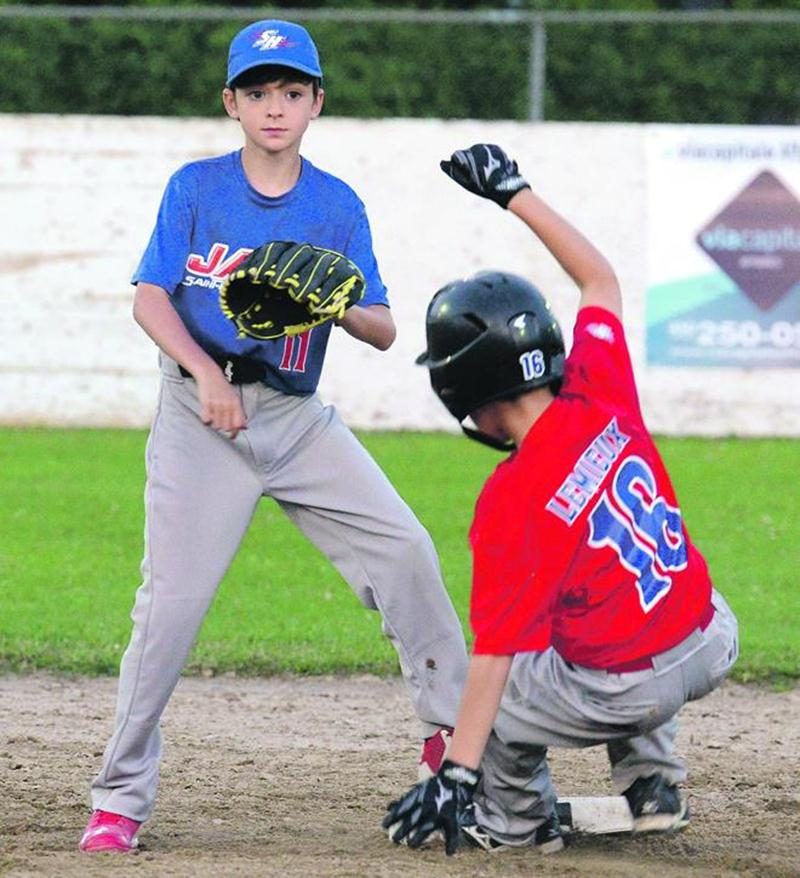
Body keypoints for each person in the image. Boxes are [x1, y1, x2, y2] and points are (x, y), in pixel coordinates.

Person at [78, 19, 468, 854]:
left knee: (405, 551)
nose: (275, 106)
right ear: (232, 103)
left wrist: (335, 303)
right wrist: (206, 375)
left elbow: (384, 328)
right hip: (198, 417)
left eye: (292, 91)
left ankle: (454, 746)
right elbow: (151, 296)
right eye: (257, 92)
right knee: (171, 612)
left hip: (294, 418)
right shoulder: (195, 187)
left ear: (316, 102)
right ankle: (117, 799)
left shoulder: (336, 205)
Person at [383, 144, 739, 856]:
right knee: (605, 606)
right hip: (707, 638)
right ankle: (652, 785)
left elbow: (495, 657)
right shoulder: (597, 383)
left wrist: (458, 772)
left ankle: (516, 824)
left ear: (465, 396)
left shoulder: (513, 498)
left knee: (499, 693)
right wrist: (514, 192)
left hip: (630, 687)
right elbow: (599, 277)